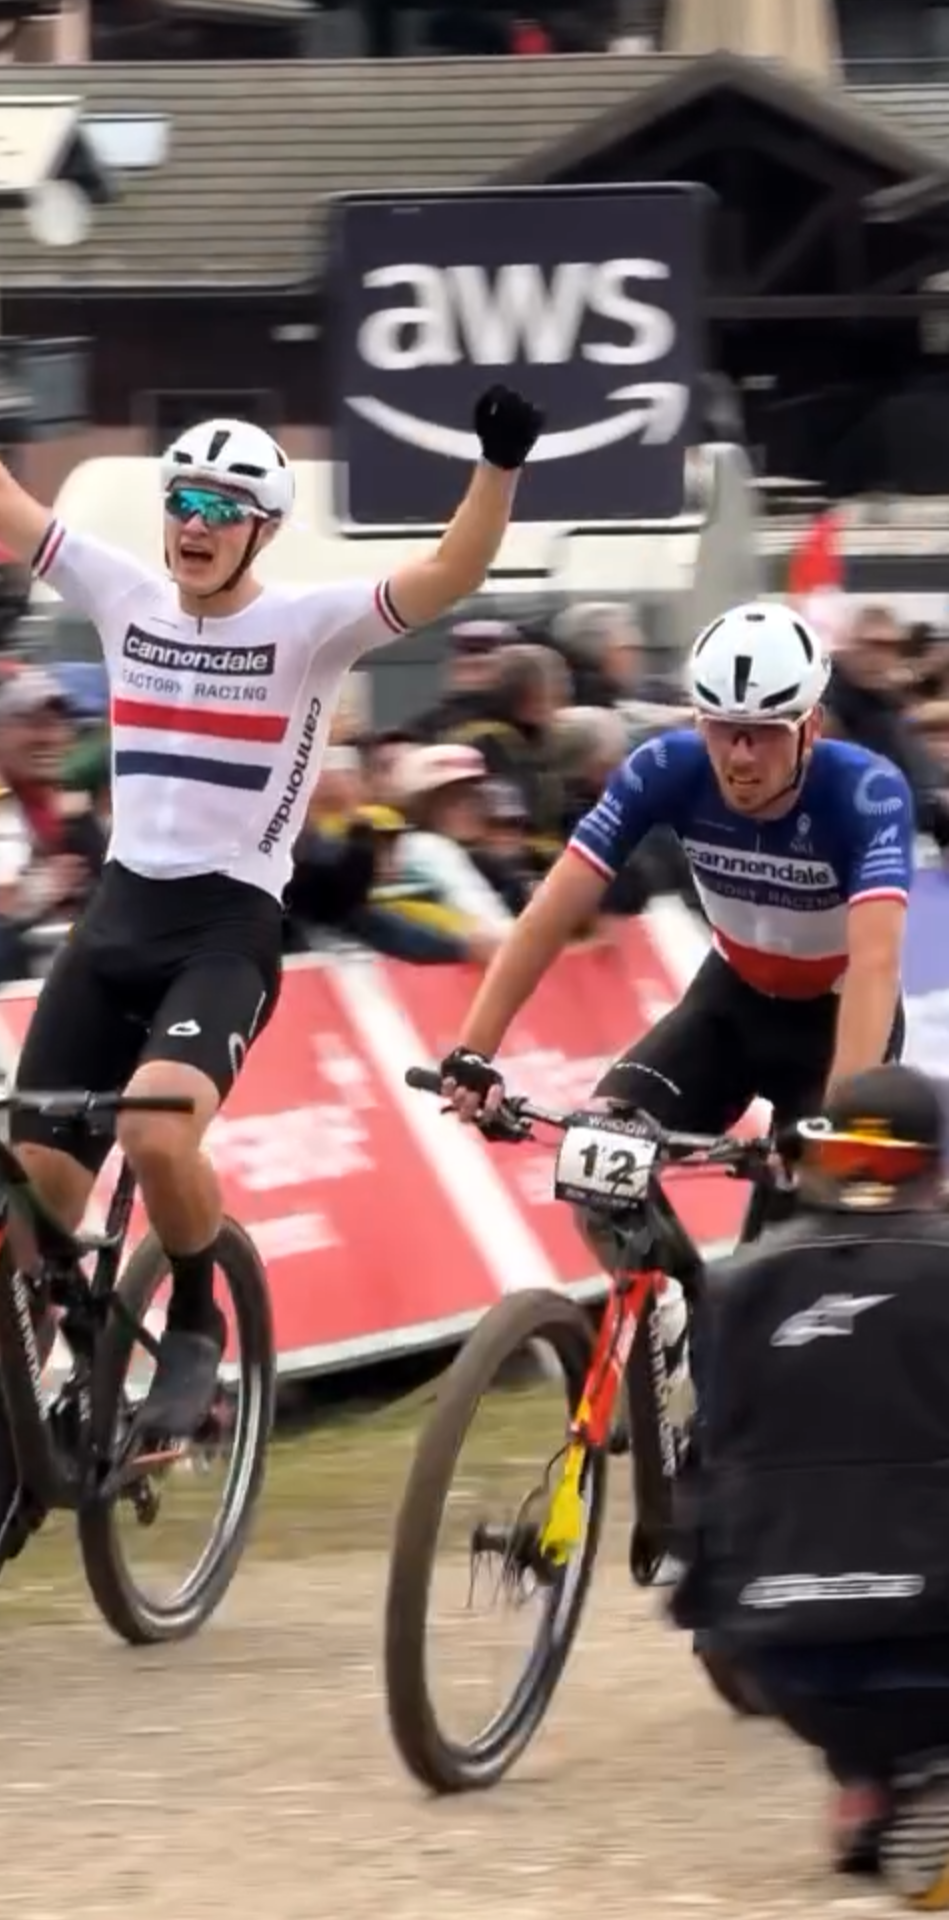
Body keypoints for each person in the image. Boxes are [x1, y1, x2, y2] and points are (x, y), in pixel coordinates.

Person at [0, 301, 542, 1568]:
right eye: (180, 506)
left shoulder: (304, 625)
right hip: (117, 918)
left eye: (219, 513)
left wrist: (498, 468)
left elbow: (449, 577)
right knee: (31, 1204)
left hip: (226, 926)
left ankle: (198, 1310)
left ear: (258, 529)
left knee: (153, 1127)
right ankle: (18, 1453)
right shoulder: (122, 593)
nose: (193, 529)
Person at [438, 601, 913, 1252]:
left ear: (812, 727)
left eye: (766, 731)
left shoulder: (867, 792)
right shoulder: (666, 768)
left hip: (839, 1021)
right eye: (723, 728)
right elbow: (549, 914)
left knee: (791, 1247)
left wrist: (835, 1126)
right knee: (595, 1162)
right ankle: (669, 1323)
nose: (741, 756)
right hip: (731, 1003)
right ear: (698, 719)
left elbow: (876, 963)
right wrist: (474, 1052)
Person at [670, 1063, 949, 1905]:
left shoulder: (732, 1286)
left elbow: (704, 1468)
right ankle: (930, 1776)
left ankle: (869, 1783)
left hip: (785, 1659)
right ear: (932, 1168)